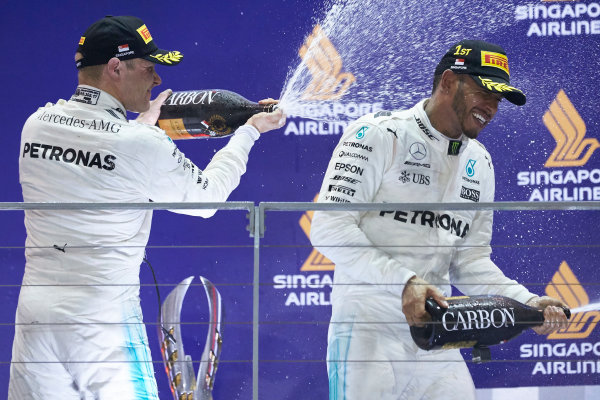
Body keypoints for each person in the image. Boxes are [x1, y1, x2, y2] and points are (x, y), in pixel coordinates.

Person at [9, 15, 285, 399]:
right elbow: (207, 200)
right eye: (149, 68)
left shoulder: (36, 124)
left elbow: (95, 149)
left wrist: (140, 130)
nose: (157, 80)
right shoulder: (137, 143)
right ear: (114, 67)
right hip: (103, 326)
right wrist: (249, 132)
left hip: (36, 321)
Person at [310, 39, 568, 400]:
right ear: (448, 82)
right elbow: (328, 229)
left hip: (438, 334)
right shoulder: (380, 133)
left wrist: (527, 302)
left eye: (498, 100)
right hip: (368, 329)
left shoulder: (481, 163)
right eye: (483, 93)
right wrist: (405, 283)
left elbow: (470, 261)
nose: (491, 108)